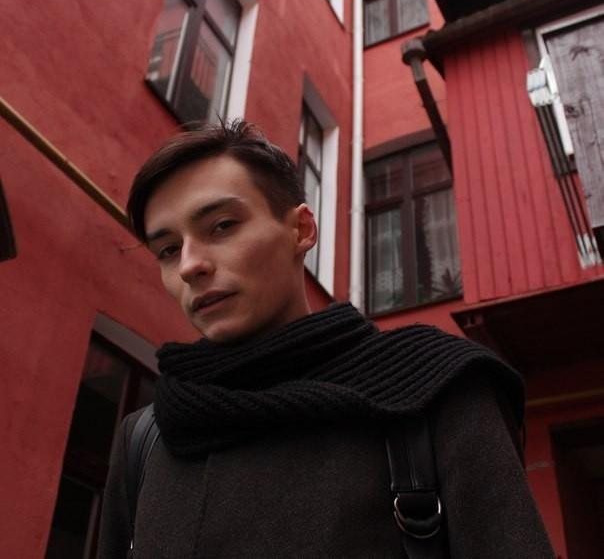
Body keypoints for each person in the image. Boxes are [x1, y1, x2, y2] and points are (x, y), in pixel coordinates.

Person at [97, 120, 555, 559]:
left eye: (222, 226)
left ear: (301, 230)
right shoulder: (146, 439)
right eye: (168, 249)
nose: (189, 265)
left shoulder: (434, 393)